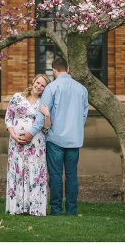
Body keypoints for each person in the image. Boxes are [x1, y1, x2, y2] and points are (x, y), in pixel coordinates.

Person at [27, 55, 89, 216]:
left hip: (55, 139)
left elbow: (42, 114)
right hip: (74, 140)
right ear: (68, 69)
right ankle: (71, 210)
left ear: (54, 70)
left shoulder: (51, 88)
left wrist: (30, 134)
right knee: (71, 176)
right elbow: (83, 116)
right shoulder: (82, 89)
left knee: (55, 176)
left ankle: (55, 210)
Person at [4, 73, 51, 216]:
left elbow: (46, 128)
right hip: (16, 143)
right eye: (38, 83)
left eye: (43, 85)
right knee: (17, 171)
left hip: (36, 145)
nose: (39, 87)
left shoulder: (44, 103)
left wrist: (47, 115)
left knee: (35, 173)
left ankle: (35, 208)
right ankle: (17, 207)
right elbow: (8, 118)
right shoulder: (17, 97)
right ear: (33, 82)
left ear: (45, 89)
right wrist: (13, 135)